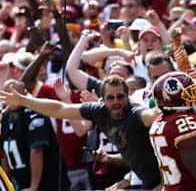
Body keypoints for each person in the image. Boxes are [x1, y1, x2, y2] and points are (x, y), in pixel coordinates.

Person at [0, 75, 162, 189]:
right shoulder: (98, 111)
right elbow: (60, 109)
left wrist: (163, 183)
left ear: (128, 96)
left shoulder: (136, 113)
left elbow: (150, 116)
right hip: (145, 179)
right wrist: (24, 100)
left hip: (166, 180)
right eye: (110, 98)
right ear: (102, 99)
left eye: (120, 97)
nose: (116, 102)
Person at [0, 79, 70, 190]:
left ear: (24, 94)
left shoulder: (34, 113)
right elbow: (4, 151)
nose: (12, 98)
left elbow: (37, 150)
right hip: (22, 184)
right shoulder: (5, 117)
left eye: (16, 94)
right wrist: (9, 182)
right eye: (8, 94)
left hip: (47, 184)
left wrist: (34, 187)